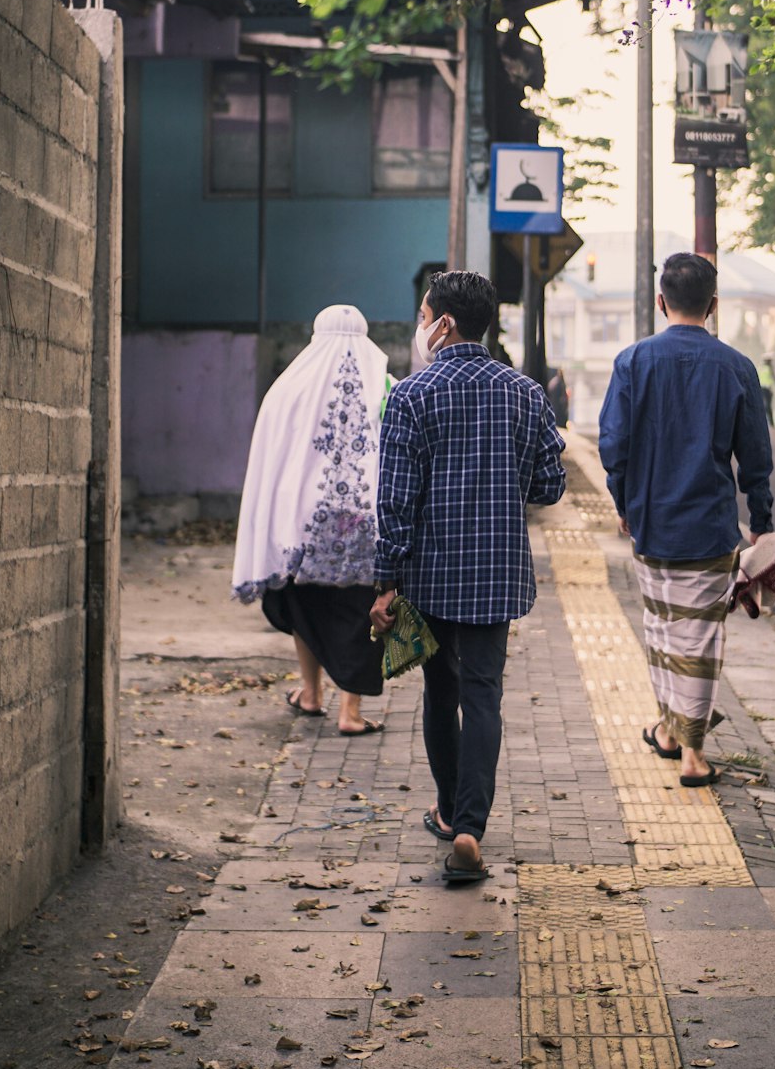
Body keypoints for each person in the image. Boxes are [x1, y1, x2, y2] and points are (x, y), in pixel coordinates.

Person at [369, 270, 565, 884]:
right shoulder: (527, 394)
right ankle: (471, 831)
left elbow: (395, 501)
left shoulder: (411, 395)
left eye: (425, 315)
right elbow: (550, 485)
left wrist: (385, 582)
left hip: (430, 574)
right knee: (484, 695)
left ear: (443, 324)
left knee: (440, 690)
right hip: (496, 572)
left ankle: (450, 812)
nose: (421, 326)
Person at [598, 253, 773, 789]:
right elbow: (756, 458)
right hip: (711, 527)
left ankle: (674, 736)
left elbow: (614, 446)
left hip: (652, 524)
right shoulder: (737, 366)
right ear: (713, 305)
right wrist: (761, 522)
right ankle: (690, 753)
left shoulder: (632, 361)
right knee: (697, 641)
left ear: (660, 301)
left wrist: (625, 504)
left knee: (661, 631)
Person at [232, 304, 388, 735]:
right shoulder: (384, 385)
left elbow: (270, 457)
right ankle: (350, 712)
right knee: (361, 612)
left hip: (302, 525)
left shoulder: (289, 388)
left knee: (305, 606)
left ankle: (311, 692)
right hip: (365, 524)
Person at [758, 354, 775, 426]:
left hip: (760, 389)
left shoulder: (760, 368)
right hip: (767, 389)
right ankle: (771, 424)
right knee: (768, 406)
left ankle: (762, 423)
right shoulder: (769, 369)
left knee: (762, 406)